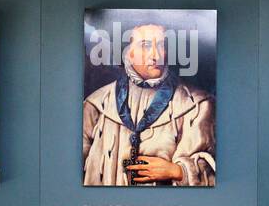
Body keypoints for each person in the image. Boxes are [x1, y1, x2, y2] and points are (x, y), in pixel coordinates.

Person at [82, 22, 215, 186]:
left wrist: (178, 172)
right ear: (129, 53)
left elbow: (214, 174)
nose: (156, 55)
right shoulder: (95, 104)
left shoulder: (197, 105)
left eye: (160, 45)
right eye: (145, 45)